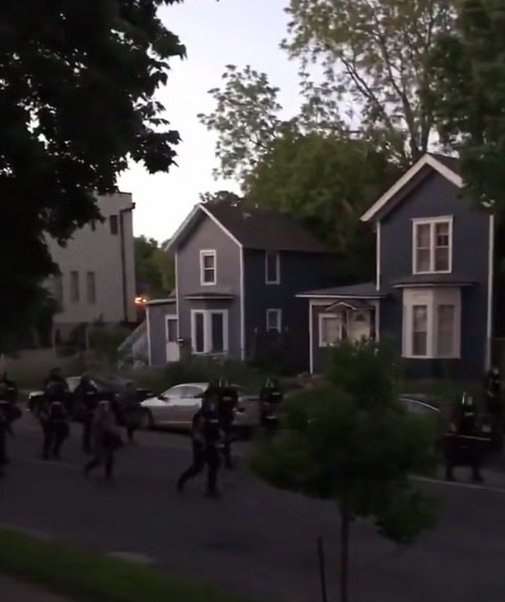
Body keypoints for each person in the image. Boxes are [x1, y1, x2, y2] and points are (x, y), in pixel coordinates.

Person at [177, 389, 223, 498]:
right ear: (207, 399)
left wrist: (220, 434)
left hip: (211, 443)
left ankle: (211, 488)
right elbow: (196, 432)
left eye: (216, 399)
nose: (215, 401)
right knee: (198, 467)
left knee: (214, 464)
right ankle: (182, 480)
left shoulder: (214, 413)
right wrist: (202, 443)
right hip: (201, 444)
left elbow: (216, 427)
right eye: (213, 399)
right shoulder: (201, 414)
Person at [444, 393, 486, 484]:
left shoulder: (472, 410)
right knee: (453, 454)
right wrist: (453, 431)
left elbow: (476, 421)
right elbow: (453, 420)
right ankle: (449, 474)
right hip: (459, 434)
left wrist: (477, 431)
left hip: (469, 434)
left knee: (474, 455)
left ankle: (476, 474)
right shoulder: (460, 409)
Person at [84, 400, 123, 481]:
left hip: (108, 437)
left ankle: (107, 474)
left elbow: (112, 426)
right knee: (101, 457)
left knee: (109, 457)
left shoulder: (110, 414)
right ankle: (88, 468)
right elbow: (98, 426)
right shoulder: (102, 415)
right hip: (102, 437)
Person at [74, 374, 100, 454]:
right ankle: (86, 446)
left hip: (92, 410)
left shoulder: (91, 388)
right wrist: (84, 410)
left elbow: (96, 398)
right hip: (87, 411)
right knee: (88, 429)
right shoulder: (81, 389)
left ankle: (91, 445)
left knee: (93, 429)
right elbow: (79, 400)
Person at [216, 379, 238, 469]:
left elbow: (235, 403)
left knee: (225, 439)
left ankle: (225, 458)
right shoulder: (223, 393)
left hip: (224, 418)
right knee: (225, 439)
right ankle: (225, 459)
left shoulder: (223, 393)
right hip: (223, 418)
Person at [484, 366, 503, 451]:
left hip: (496, 408)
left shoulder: (497, 383)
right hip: (491, 407)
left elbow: (498, 392)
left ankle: (495, 442)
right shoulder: (488, 382)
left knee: (496, 425)